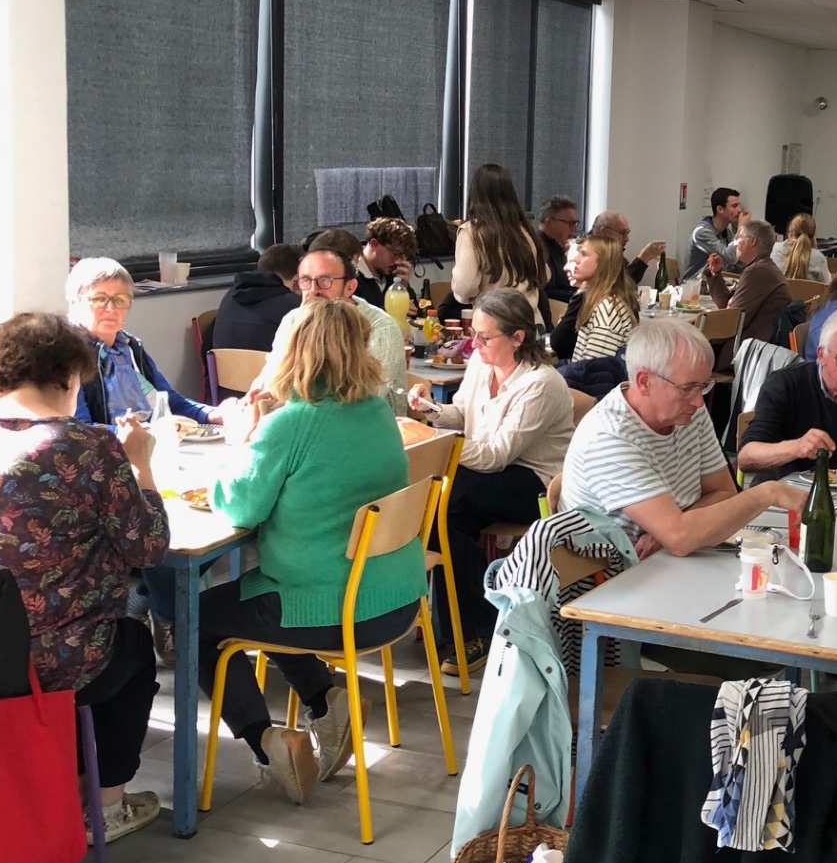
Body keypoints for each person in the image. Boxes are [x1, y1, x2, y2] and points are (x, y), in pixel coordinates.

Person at [0, 312, 170, 842]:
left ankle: (52, 784)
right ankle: (103, 807)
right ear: (68, 375)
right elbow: (147, 548)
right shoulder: (87, 443)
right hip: (50, 659)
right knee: (131, 646)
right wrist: (141, 466)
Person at [201, 300, 427, 804]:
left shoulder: (291, 424)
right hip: (395, 600)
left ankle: (267, 741)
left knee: (197, 618)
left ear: (291, 353)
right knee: (264, 596)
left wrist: (241, 442)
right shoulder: (377, 411)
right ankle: (325, 701)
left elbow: (240, 508)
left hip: (331, 610)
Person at [407, 289, 574, 666]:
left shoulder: (541, 383)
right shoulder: (482, 366)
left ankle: (473, 628)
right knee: (444, 510)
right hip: (491, 471)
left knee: (445, 499)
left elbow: (497, 455)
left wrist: (434, 444)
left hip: (538, 482)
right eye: (474, 334)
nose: (474, 344)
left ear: (517, 338)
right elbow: (462, 415)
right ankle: (472, 627)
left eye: (484, 337)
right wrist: (431, 410)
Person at [562, 316, 804, 559]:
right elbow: (680, 539)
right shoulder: (609, 437)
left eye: (703, 386)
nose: (699, 401)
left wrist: (670, 530)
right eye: (688, 388)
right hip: (615, 574)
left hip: (669, 561)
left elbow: (724, 494)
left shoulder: (686, 412)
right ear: (644, 381)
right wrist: (768, 493)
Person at [737, 308, 837, 485]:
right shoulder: (786, 384)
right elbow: (746, 458)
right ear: (821, 355)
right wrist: (796, 447)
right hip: (780, 490)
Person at [261, 247, 409, 416]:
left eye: (324, 280)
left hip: (368, 426)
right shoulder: (294, 319)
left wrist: (282, 406)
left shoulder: (382, 327)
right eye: (305, 280)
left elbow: (364, 399)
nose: (313, 290)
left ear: (350, 287)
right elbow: (271, 380)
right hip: (302, 419)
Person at [67, 259, 213, 427]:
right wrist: (146, 431)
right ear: (75, 301)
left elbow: (171, 402)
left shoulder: (129, 347)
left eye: (120, 300)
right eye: (99, 299)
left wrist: (214, 414)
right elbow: (80, 429)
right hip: (110, 444)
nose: (111, 309)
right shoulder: (67, 355)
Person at [448, 163, 547, 317]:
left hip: (494, 321)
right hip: (530, 320)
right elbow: (544, 274)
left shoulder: (472, 232)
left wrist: (463, 296)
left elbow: (465, 286)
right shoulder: (526, 231)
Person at [703, 217, 791, 348]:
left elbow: (731, 321)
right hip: (754, 343)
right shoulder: (762, 267)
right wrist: (716, 273)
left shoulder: (758, 271)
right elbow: (724, 303)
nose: (735, 244)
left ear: (753, 241)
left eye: (739, 238)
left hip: (748, 349)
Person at [213, 244, 302, 353]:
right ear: (297, 280)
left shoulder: (230, 294)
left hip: (224, 364)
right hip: (269, 364)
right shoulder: (293, 306)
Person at [564, 235, 638, 363]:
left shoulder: (608, 310)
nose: (576, 259)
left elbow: (593, 369)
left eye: (583, 254)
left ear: (602, 262)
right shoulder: (599, 301)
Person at [350, 218, 417, 310]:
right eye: (395, 254)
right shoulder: (350, 274)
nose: (399, 262)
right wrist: (390, 310)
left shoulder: (393, 273)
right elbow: (353, 313)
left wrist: (403, 287)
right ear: (374, 244)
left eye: (405, 256)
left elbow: (415, 311)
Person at [589, 210, 667, 284]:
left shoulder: (612, 251)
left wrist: (645, 257)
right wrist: (644, 257)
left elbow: (625, 279)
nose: (627, 239)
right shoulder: (589, 253)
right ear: (604, 231)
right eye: (622, 233)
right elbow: (620, 284)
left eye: (627, 232)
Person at [683, 186, 742, 281]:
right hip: (695, 285)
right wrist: (741, 230)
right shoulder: (702, 232)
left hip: (714, 283)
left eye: (739, 205)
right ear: (720, 209)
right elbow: (729, 257)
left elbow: (738, 260)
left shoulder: (727, 232)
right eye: (734, 206)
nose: (739, 210)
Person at [537, 195, 580, 307]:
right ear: (550, 223)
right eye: (569, 223)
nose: (575, 229)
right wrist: (581, 296)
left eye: (575, 223)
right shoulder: (538, 249)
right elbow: (547, 291)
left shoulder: (563, 247)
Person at [771, 212, 829, 284]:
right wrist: (815, 251)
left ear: (790, 233)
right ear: (812, 238)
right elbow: (827, 286)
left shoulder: (773, 249)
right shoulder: (818, 258)